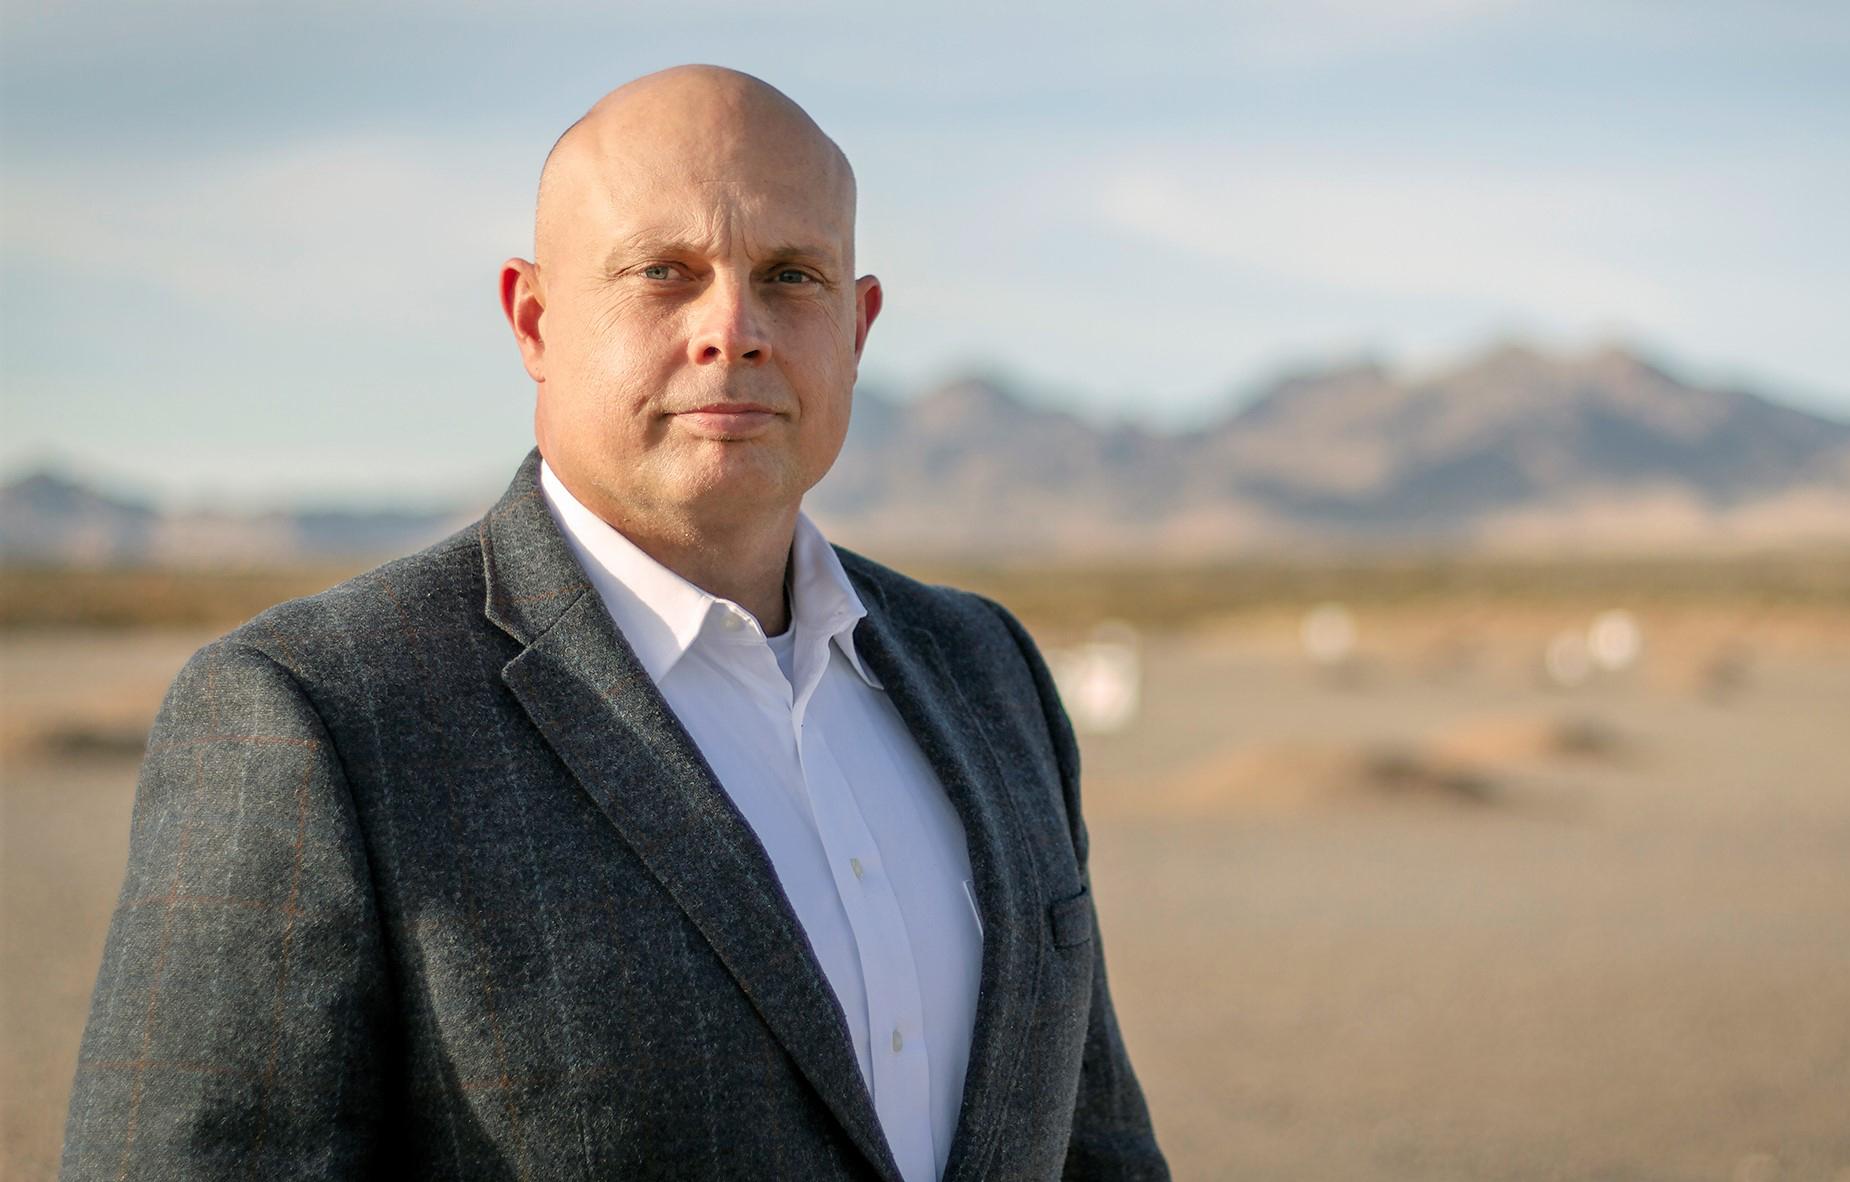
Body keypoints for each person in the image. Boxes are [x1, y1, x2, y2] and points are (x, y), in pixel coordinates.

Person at [61, 65, 1167, 1181]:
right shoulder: (317, 716)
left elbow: (1099, 1147)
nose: (733, 329)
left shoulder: (985, 670)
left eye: (792, 275)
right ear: (534, 320)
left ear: (859, 324)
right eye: (663, 273)